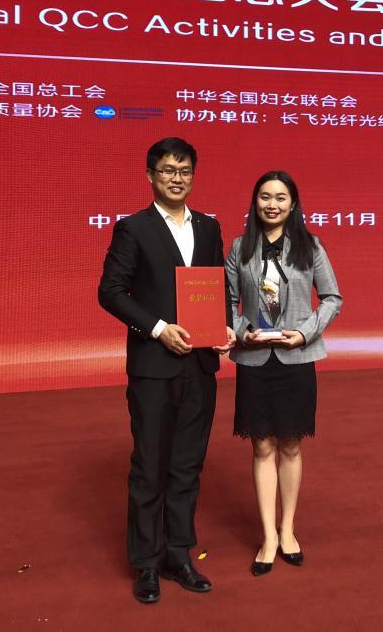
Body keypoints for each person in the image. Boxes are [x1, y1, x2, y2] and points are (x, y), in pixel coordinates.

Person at [98, 137, 235, 604]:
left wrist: (225, 327)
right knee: (149, 465)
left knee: (187, 464)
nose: (177, 178)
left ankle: (179, 554)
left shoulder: (210, 228)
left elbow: (217, 287)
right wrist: (158, 329)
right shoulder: (132, 228)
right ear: (151, 176)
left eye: (185, 171)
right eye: (168, 170)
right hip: (153, 367)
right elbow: (110, 292)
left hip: (200, 364)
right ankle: (147, 563)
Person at [225, 171, 342, 576]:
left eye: (280, 197)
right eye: (264, 197)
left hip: (296, 358)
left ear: (293, 204)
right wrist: (243, 331)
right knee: (262, 447)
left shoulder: (310, 246)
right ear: (255, 202)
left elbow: (332, 298)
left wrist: (305, 332)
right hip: (255, 360)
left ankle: (287, 529)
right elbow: (227, 302)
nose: (272, 204)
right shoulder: (240, 247)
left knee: (290, 446)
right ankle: (268, 537)